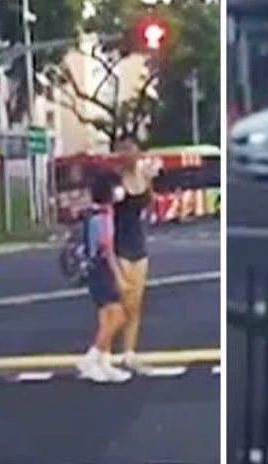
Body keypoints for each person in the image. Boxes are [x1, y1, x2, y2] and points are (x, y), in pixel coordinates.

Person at [76, 173, 133, 383]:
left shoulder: (94, 213)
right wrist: (120, 277)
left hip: (93, 270)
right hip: (101, 270)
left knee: (105, 319)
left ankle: (104, 364)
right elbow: (107, 250)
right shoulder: (103, 217)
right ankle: (91, 359)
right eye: (116, 186)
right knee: (118, 316)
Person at [112, 138, 158, 374]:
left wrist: (149, 181)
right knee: (122, 304)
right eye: (129, 154)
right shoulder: (114, 181)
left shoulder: (142, 177)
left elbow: (149, 204)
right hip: (120, 245)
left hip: (138, 244)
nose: (134, 158)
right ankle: (102, 350)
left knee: (136, 305)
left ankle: (129, 353)